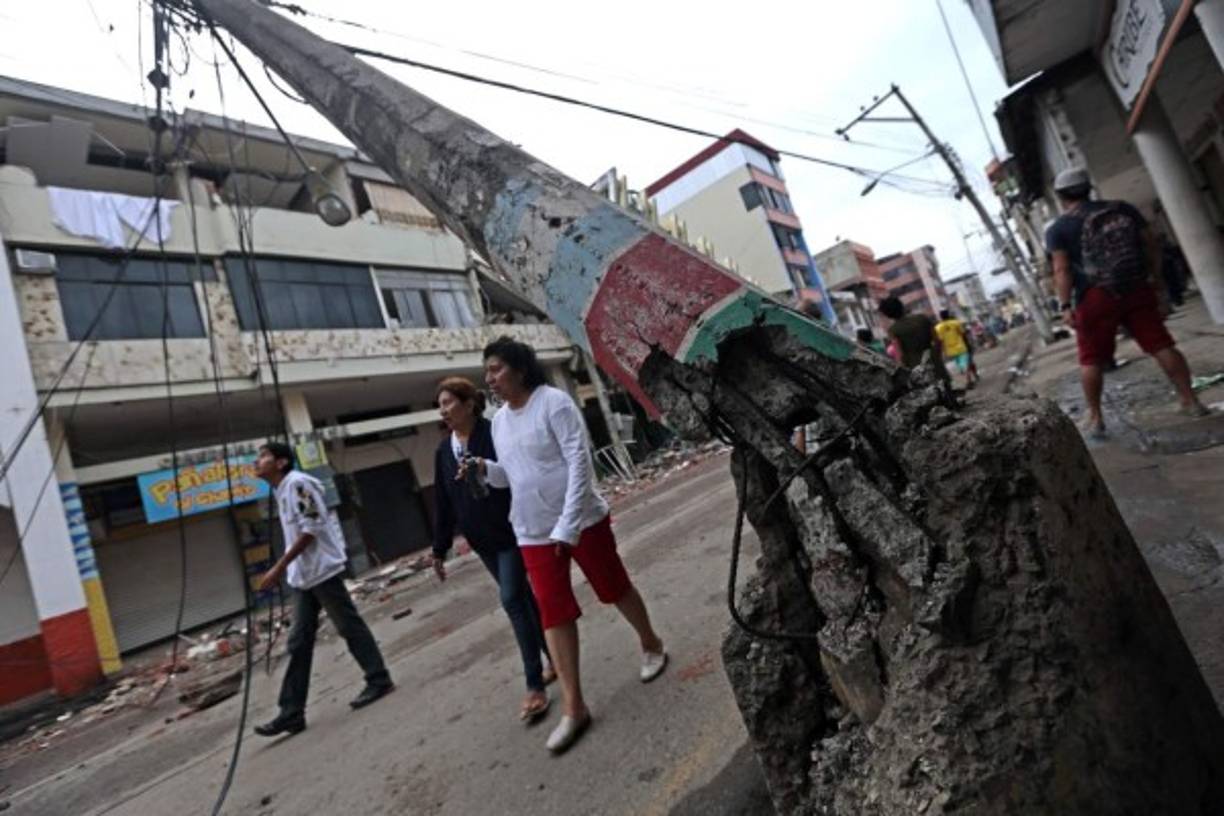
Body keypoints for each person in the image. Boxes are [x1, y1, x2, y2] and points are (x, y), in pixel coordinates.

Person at [465, 337, 666, 754]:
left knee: (613, 588)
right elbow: (516, 476)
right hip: (532, 531)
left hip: (581, 520)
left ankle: (651, 643)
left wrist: (568, 525)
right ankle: (575, 707)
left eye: (497, 369)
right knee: (552, 614)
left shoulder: (553, 403)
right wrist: (486, 469)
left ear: (520, 368)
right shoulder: (499, 422)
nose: (491, 379)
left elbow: (578, 463)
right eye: (487, 372)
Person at [1044, 167, 1209, 438]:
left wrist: (1064, 306)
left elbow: (1062, 270)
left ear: (1061, 196)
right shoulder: (1123, 209)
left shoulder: (1059, 228)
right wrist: (1155, 279)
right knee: (1161, 344)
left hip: (1095, 295)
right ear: (1089, 187)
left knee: (1091, 359)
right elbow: (1151, 245)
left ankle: (1096, 418)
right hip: (1135, 287)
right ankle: (1191, 401)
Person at [432, 376, 555, 723]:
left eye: (448, 402)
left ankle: (535, 685)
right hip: (482, 540)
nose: (443, 410)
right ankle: (556, 658)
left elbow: (518, 474)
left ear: (469, 403)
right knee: (526, 601)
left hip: (513, 530)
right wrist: (438, 550)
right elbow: (442, 503)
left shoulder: (495, 433)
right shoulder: (443, 451)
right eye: (439, 405)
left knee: (513, 599)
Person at [253, 442, 393, 737]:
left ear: (280, 463)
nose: (257, 461)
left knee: (348, 626)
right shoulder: (282, 490)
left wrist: (278, 567)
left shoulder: (299, 484)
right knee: (298, 642)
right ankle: (291, 713)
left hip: (322, 571)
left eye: (263, 456)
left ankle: (378, 679)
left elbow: (311, 528)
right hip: (303, 577)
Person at [879, 296, 945, 377]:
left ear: (888, 315)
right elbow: (938, 341)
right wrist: (936, 356)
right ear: (901, 306)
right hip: (935, 362)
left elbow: (900, 355)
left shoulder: (893, 330)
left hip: (916, 369)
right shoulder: (922, 318)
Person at [934, 309, 979, 388]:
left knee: (962, 365)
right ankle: (969, 380)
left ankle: (970, 379)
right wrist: (968, 344)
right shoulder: (956, 323)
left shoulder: (938, 328)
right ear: (948, 314)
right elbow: (963, 335)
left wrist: (940, 351)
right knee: (965, 364)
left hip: (950, 350)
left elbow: (940, 341)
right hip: (961, 347)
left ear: (940, 317)